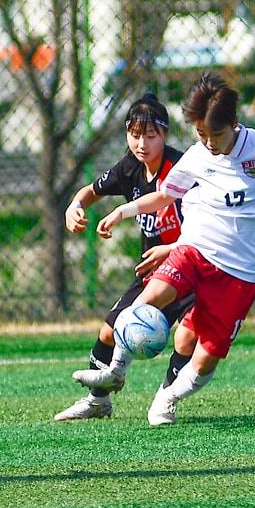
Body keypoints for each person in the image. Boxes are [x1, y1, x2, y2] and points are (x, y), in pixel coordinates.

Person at [93, 73, 255, 425]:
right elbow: (165, 195)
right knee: (146, 300)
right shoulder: (197, 156)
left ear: (235, 123)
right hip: (196, 250)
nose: (209, 143)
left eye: (216, 135)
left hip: (242, 272)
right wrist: (123, 211)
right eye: (201, 134)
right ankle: (116, 370)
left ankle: (168, 397)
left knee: (204, 356)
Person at [56, 93, 199, 421]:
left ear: (165, 134)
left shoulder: (181, 170)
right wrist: (74, 207)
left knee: (187, 336)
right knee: (109, 332)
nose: (142, 143)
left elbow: (207, 224)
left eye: (150, 135)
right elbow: (90, 192)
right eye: (135, 135)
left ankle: (166, 399)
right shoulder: (129, 168)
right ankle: (98, 402)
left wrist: (172, 249)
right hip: (153, 273)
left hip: (191, 269)